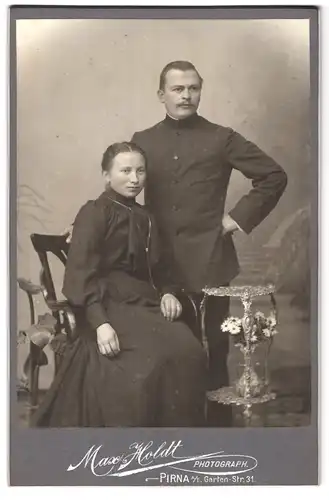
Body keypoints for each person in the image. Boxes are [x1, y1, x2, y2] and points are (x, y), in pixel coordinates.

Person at [131, 61, 288, 425]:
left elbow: (273, 175)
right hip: (158, 263)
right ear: (161, 95)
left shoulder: (222, 137)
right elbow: (126, 191)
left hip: (209, 260)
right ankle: (173, 431)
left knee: (215, 350)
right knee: (168, 349)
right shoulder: (143, 139)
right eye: (177, 89)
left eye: (193, 88)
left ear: (201, 91)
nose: (186, 96)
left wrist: (236, 219)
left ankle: (218, 434)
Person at [31, 141, 207, 428]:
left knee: (188, 350)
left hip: (145, 303)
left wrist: (168, 293)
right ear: (106, 176)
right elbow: (79, 275)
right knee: (146, 363)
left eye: (140, 171)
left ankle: (174, 444)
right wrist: (100, 323)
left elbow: (162, 268)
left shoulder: (147, 217)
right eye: (125, 171)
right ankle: (135, 444)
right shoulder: (93, 212)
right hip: (105, 304)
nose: (134, 178)